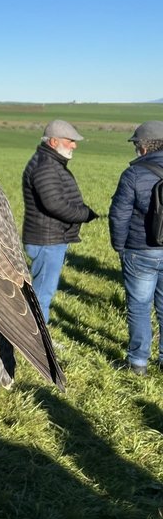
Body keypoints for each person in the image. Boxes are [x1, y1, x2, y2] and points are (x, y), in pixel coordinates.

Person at [21, 119, 98, 322]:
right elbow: (54, 204)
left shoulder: (50, 162)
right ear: (54, 142)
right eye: (70, 140)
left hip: (50, 237)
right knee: (41, 295)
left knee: (42, 292)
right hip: (47, 241)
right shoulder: (46, 167)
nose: (75, 145)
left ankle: (38, 337)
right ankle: (38, 343)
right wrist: (85, 214)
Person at [109, 121, 163, 376]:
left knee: (140, 306)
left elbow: (119, 215)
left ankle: (138, 363)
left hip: (139, 250)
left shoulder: (133, 174)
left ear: (143, 147)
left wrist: (120, 245)